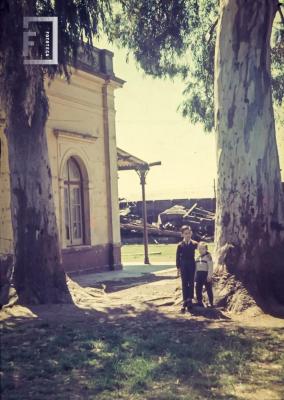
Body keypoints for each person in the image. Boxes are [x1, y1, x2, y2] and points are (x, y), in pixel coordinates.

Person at [176, 225, 198, 313]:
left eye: (189, 233)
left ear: (191, 233)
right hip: (183, 265)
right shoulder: (180, 245)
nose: (188, 235)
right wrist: (178, 267)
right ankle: (185, 300)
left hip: (192, 265)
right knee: (184, 282)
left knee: (191, 282)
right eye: (185, 234)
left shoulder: (194, 244)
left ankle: (190, 299)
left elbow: (201, 250)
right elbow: (177, 257)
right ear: (182, 235)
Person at [195, 242, 214, 307]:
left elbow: (210, 267)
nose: (201, 250)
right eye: (199, 249)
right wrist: (195, 276)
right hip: (199, 275)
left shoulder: (208, 257)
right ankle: (199, 301)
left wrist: (209, 276)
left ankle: (211, 303)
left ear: (206, 249)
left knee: (208, 289)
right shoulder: (198, 258)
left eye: (202, 249)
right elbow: (196, 268)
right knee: (198, 288)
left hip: (205, 275)